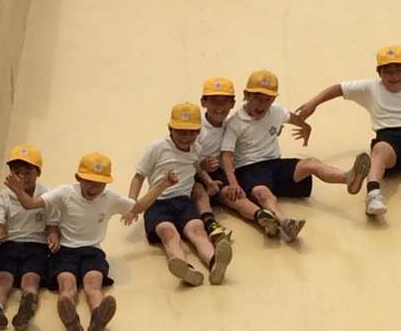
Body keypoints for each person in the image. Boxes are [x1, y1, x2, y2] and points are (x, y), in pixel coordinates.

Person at [5, 151, 177, 331]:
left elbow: (138, 207)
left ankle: (98, 315)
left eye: (100, 183)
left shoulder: (110, 198)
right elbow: (30, 204)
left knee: (93, 283)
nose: (94, 188)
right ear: (78, 178)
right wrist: (19, 191)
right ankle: (70, 317)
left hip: (92, 251)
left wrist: (162, 185)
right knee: (66, 282)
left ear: (106, 184)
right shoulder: (65, 193)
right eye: (89, 181)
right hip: (65, 251)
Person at [221, 70, 371, 240]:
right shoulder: (235, 123)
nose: (262, 104)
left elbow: (291, 117)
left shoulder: (276, 111)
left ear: (274, 99)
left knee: (311, 163)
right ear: (246, 95)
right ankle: (285, 222)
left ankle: (348, 178)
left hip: (276, 165)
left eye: (268, 99)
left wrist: (306, 127)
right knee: (263, 194)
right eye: (257, 98)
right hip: (249, 169)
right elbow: (226, 155)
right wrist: (233, 183)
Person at [127, 101, 232, 287]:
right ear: (170, 129)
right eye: (181, 132)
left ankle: (214, 263)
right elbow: (138, 177)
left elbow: (197, 167)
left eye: (191, 133)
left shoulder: (196, 148)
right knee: (169, 234)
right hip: (157, 203)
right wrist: (130, 204)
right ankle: (184, 267)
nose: (186, 137)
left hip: (184, 202)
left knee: (198, 230)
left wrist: (208, 180)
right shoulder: (157, 148)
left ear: (198, 132)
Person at [296, 45, 401, 216]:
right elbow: (338, 89)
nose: (394, 76)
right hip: (389, 140)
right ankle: (373, 195)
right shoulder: (370, 88)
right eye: (388, 72)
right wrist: (312, 103)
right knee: (379, 150)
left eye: (398, 71)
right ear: (379, 73)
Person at [0, 145, 59, 331]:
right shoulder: (5, 195)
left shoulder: (46, 195)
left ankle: (27, 303)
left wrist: (53, 233)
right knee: (2, 277)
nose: (22, 177)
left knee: (31, 277)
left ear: (38, 172)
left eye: (28, 172)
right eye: (17, 173)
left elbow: (52, 220)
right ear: (10, 174)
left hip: (36, 246)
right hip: (10, 244)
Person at [194, 76, 283, 237]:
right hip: (195, 173)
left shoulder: (231, 124)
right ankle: (211, 225)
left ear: (232, 104)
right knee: (199, 192)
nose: (219, 107)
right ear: (203, 102)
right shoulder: (195, 128)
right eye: (214, 101)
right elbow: (184, 157)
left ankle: (261, 216)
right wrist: (204, 171)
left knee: (233, 194)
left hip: (217, 174)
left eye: (224, 102)